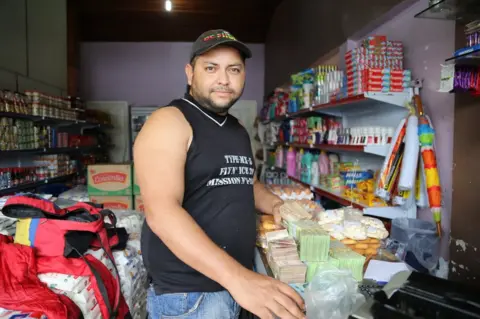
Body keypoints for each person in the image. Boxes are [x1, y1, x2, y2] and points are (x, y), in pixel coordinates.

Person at [134, 29, 305, 319]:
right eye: (211, 68)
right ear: (190, 73)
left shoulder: (236, 129)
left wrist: (278, 205)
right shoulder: (170, 121)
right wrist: (240, 279)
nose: (224, 79)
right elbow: (161, 211)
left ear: (244, 75)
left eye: (233, 69)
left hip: (234, 283)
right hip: (190, 296)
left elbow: (247, 184)